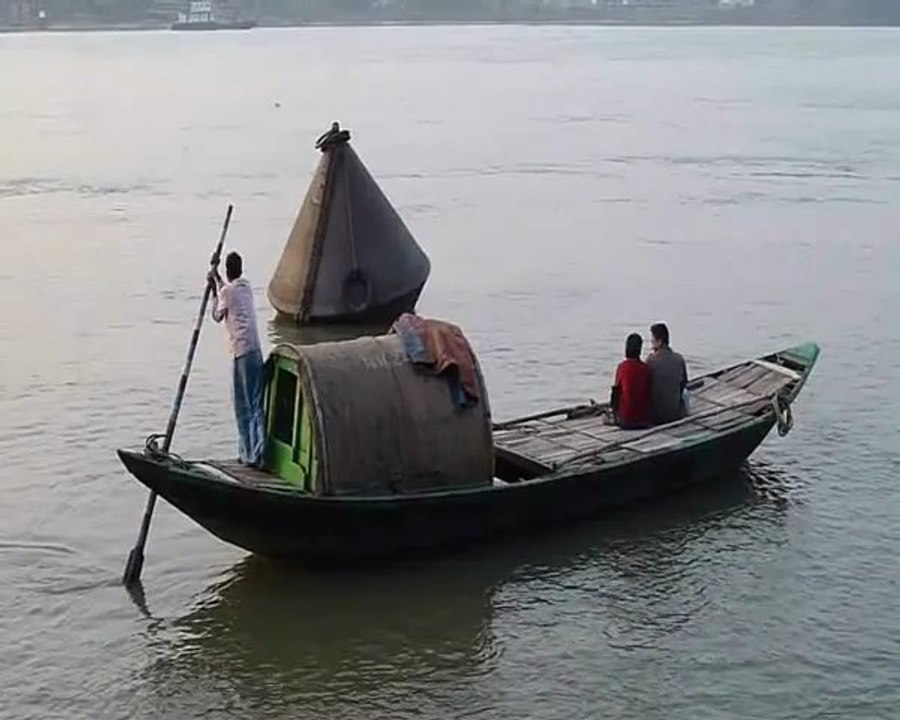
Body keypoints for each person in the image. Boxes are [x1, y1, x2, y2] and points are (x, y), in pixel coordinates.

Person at [208, 251, 266, 467]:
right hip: (255, 350)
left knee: (243, 406)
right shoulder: (245, 287)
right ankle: (259, 451)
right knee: (256, 403)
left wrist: (213, 290)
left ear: (228, 270)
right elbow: (227, 291)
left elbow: (217, 315)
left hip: (241, 353)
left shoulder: (228, 292)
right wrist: (216, 279)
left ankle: (250, 454)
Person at [645, 322, 688, 425]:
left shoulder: (650, 361)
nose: (651, 341)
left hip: (655, 416)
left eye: (653, 338)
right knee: (686, 393)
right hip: (675, 414)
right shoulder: (679, 359)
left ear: (659, 341)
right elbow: (683, 384)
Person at [609, 333, 653, 429]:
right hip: (644, 419)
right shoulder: (646, 369)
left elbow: (616, 393)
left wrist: (614, 412)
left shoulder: (622, 367)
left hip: (625, 420)